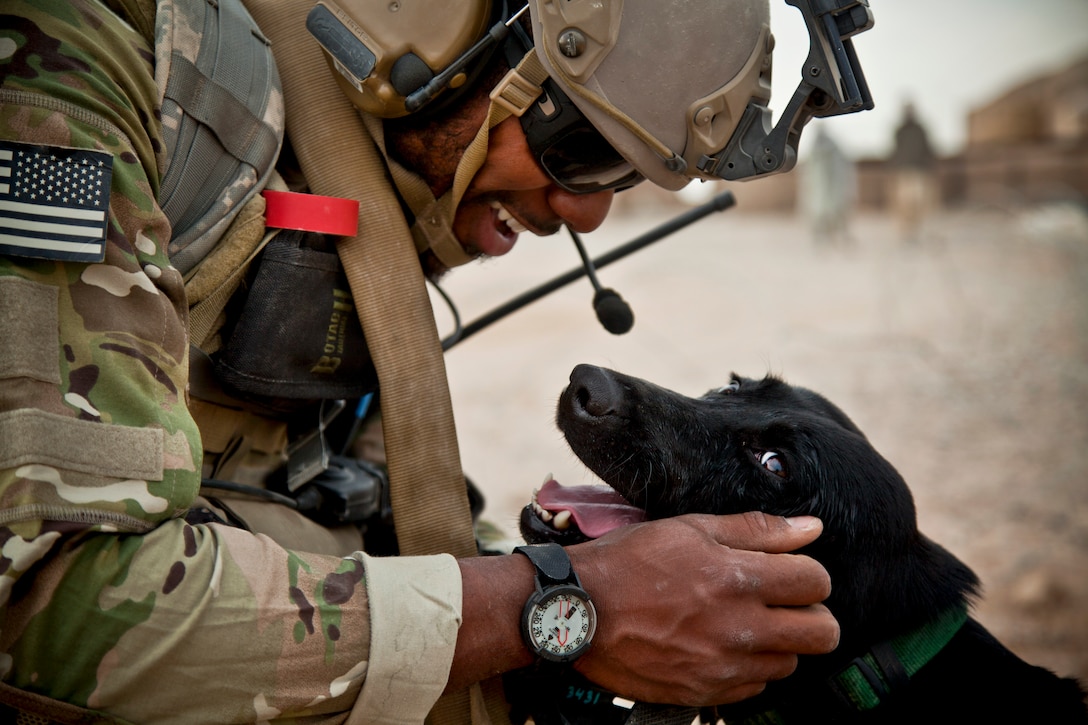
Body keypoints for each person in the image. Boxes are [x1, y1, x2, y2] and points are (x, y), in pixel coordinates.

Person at [0, 0, 863, 722]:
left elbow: (342, 507)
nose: (587, 216)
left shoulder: (372, 187)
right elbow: (46, 606)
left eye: (622, 179)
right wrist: (562, 607)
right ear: (437, 26)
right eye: (584, 154)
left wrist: (623, 601)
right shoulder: (83, 63)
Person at [889, 101, 939, 243]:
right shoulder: (900, 131)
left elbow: (928, 149)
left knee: (919, 204)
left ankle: (917, 231)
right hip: (904, 173)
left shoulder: (920, 130)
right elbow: (895, 151)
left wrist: (931, 168)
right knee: (904, 205)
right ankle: (906, 233)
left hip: (919, 172)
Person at [799, 125, 857, 246]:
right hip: (820, 190)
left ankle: (839, 237)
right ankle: (823, 238)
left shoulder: (833, 150)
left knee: (837, 214)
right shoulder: (816, 151)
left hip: (834, 188)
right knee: (820, 214)